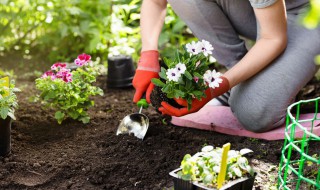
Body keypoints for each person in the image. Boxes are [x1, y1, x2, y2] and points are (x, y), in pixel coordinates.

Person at [132, 0, 320, 132]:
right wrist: (148, 55)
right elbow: (155, 2)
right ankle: (240, 78)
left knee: (253, 113)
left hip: (308, 14)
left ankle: (255, 85)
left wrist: (216, 88)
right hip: (262, 13)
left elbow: (273, 38)